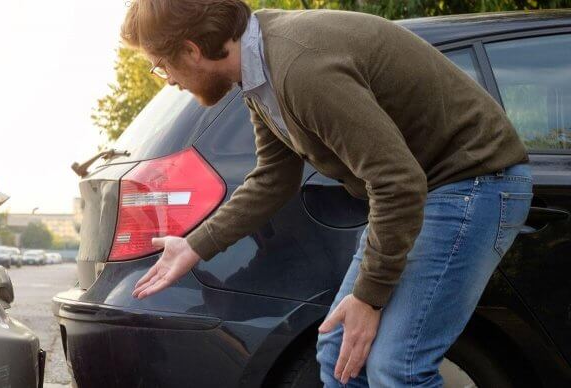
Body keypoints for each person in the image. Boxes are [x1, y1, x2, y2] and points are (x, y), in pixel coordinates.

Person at [122, 1, 532, 386]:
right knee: (339, 351)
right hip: (423, 192)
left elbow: (397, 181)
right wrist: (194, 246)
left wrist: (369, 300)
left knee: (397, 366)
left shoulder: (301, 67)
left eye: (161, 67)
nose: (170, 80)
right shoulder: (259, 70)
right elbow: (273, 178)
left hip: (471, 182)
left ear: (192, 50)